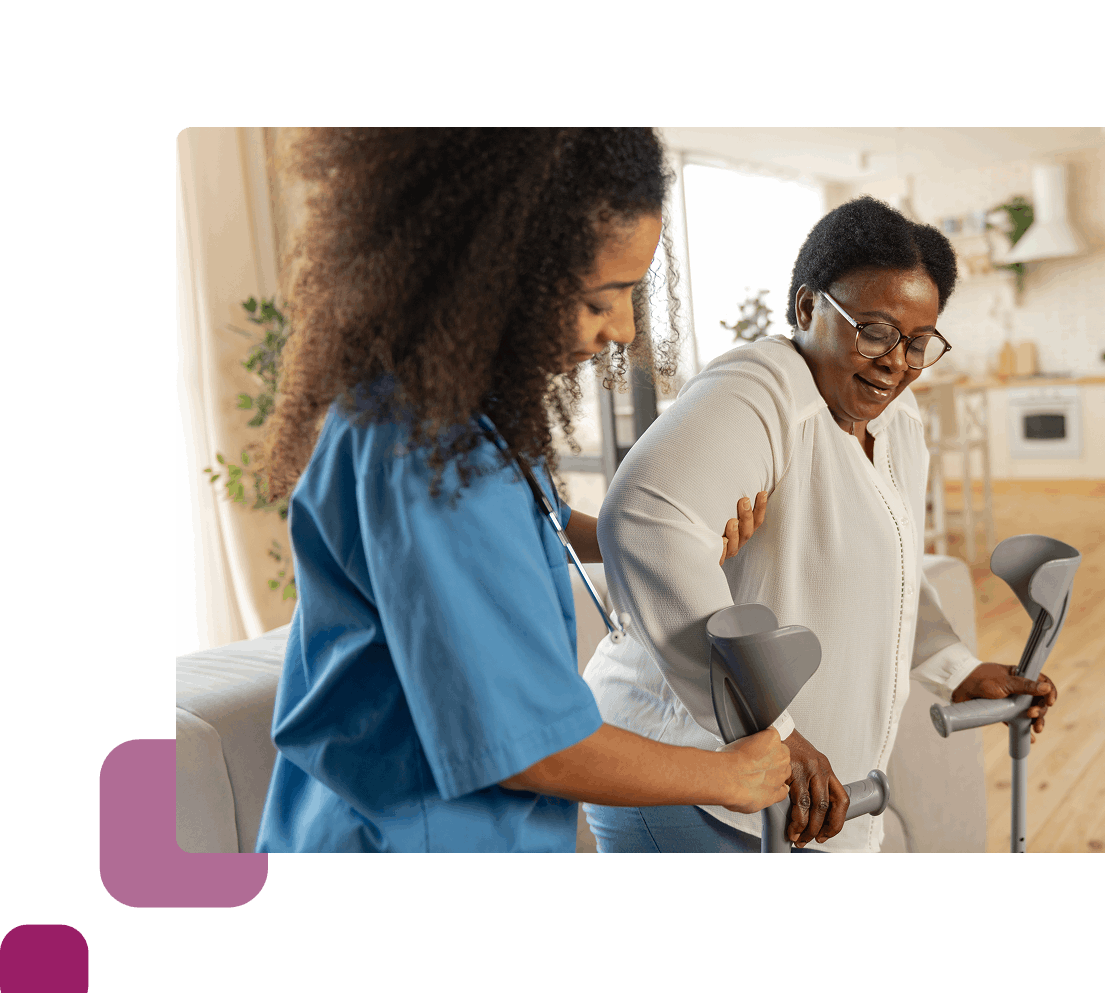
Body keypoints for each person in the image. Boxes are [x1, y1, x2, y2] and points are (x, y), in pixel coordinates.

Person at [251, 128, 791, 853]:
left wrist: (660, 536)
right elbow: (532, 748)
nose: (625, 330)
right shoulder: (430, 453)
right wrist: (727, 776)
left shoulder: (463, 413)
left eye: (633, 294)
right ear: (497, 271)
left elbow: (537, 520)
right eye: (602, 300)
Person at [581, 196, 1059, 853]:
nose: (897, 361)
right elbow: (642, 520)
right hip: (693, 783)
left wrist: (957, 667)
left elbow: (888, 572)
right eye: (874, 329)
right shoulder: (764, 385)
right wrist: (767, 729)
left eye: (920, 343)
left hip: (795, 803)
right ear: (808, 309)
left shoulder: (897, 423)